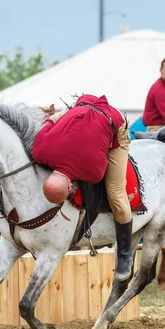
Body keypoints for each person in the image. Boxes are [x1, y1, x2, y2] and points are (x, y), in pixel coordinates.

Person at [32, 94, 133, 281]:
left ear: (72, 184)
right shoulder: (40, 151)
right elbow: (47, 124)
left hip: (114, 121)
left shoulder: (93, 172)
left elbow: (99, 157)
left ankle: (125, 254)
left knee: (117, 195)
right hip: (80, 105)